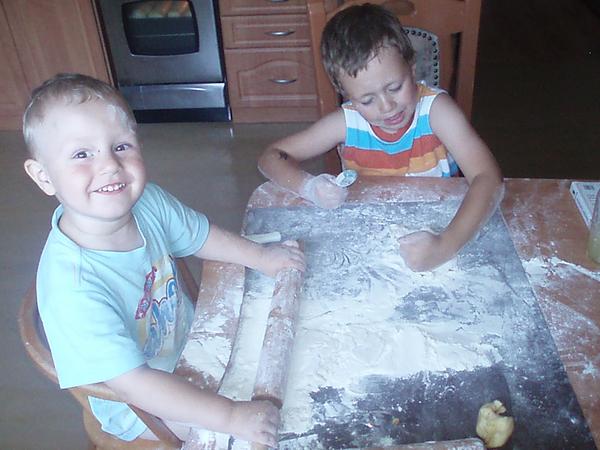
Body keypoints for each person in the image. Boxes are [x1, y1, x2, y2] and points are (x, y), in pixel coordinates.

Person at [22, 73, 305, 445]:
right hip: (140, 404)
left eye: (121, 146)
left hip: (189, 343)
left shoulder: (147, 202)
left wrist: (263, 258)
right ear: (43, 176)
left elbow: (202, 236)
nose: (110, 165)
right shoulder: (72, 290)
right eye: (81, 154)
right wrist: (231, 416)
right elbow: (135, 385)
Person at [258, 3, 504, 272]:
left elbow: (488, 177)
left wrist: (445, 245)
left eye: (395, 87)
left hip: (443, 230)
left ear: (412, 69)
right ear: (347, 95)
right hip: (370, 244)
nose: (387, 107)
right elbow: (270, 157)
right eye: (367, 100)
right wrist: (309, 187)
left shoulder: (437, 112)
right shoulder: (346, 123)